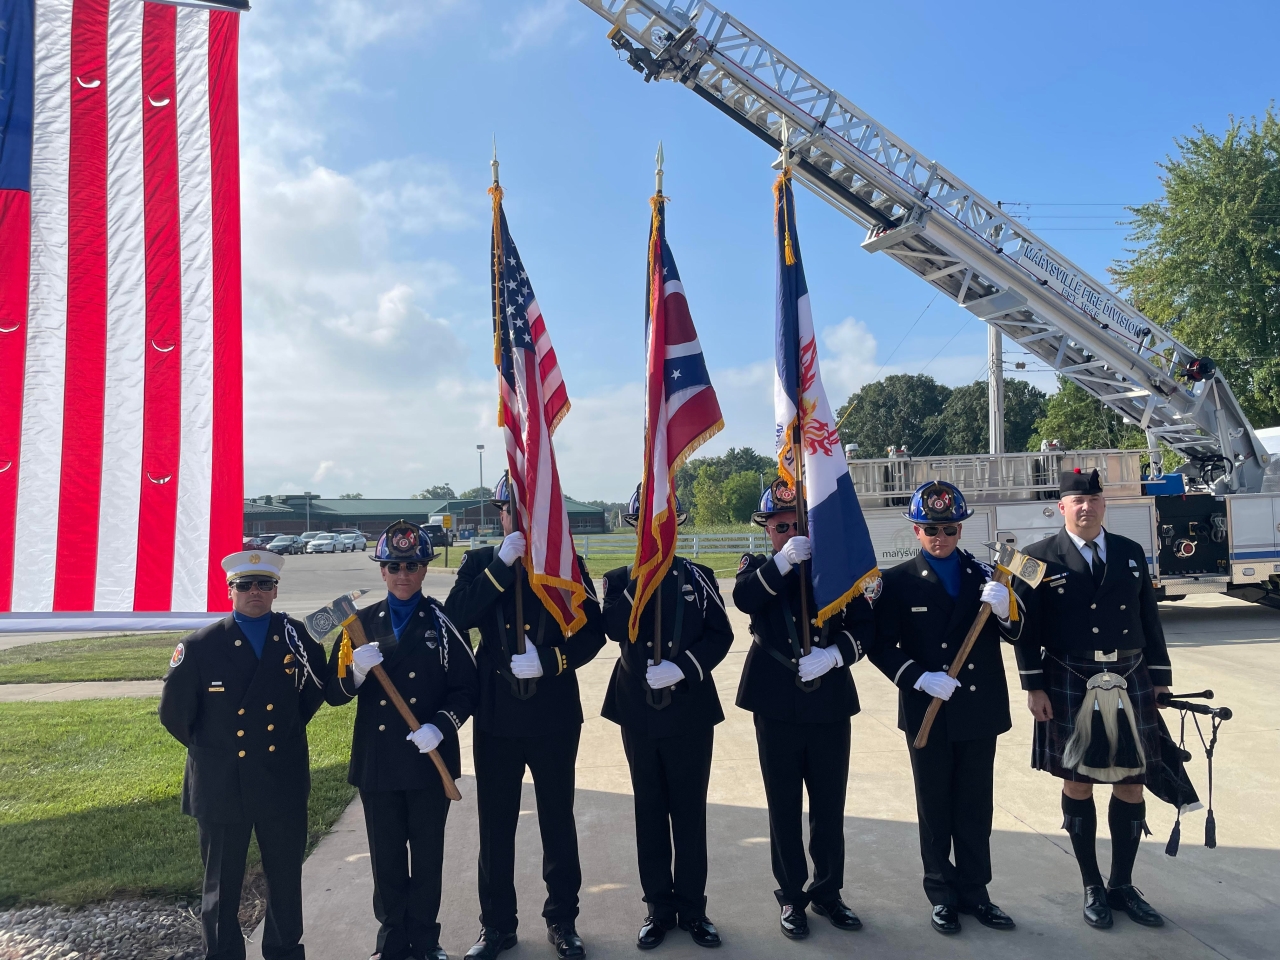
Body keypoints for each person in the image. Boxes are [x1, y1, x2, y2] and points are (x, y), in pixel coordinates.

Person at [445, 475, 606, 960]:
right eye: (511, 510)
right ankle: (496, 926)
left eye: (530, 511)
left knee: (558, 820)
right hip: (496, 713)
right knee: (496, 826)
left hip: (554, 711)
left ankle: (562, 919)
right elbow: (455, 617)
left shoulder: (566, 564)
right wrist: (500, 567)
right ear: (501, 515)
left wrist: (553, 659)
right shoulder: (478, 562)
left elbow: (593, 632)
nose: (519, 518)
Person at [1014, 468, 1172, 930]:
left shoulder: (1128, 552)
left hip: (1130, 675)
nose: (1086, 507)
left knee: (1131, 783)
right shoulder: (1036, 557)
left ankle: (1122, 885)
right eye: (1076, 501)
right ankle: (1091, 885)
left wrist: (1160, 677)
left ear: (1104, 505)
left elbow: (1149, 616)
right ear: (1061, 507)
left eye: (1093, 499)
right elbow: (1025, 631)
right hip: (1070, 677)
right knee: (1077, 783)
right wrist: (1033, 685)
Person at [159, 550, 329, 960]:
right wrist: (220, 751)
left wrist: (281, 737)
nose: (256, 592)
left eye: (264, 584)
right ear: (230, 589)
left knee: (285, 879)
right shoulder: (200, 646)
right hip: (222, 782)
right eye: (246, 585)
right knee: (221, 885)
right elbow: (175, 716)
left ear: (275, 589)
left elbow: (311, 696)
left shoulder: (296, 637)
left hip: (280, 777)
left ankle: (285, 951)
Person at [868, 481, 1020, 935]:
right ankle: (941, 894)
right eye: (931, 528)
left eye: (950, 528)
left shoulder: (988, 576)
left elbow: (1017, 635)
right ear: (916, 530)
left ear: (960, 529)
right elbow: (880, 647)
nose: (941, 537)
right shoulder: (894, 582)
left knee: (975, 806)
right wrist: (918, 676)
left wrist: (1008, 610)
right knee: (934, 806)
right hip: (927, 706)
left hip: (978, 707)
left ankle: (976, 892)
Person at [325, 520, 478, 960]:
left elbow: (466, 689)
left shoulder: (444, 623)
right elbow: (334, 696)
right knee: (387, 859)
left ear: (425, 569)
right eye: (393, 566)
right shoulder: (358, 625)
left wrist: (442, 725)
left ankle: (426, 942)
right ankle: (391, 942)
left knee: (428, 859)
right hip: (380, 763)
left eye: (411, 564)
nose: (402, 574)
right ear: (382, 572)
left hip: (430, 761)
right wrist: (353, 672)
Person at [732, 480, 876, 941]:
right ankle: (791, 895)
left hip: (829, 697)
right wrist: (782, 562)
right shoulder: (758, 566)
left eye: (798, 523)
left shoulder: (835, 570)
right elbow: (745, 600)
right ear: (767, 529)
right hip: (774, 698)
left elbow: (865, 628)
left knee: (830, 803)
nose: (790, 530)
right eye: (780, 526)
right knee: (784, 804)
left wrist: (835, 655)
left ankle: (829, 891)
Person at [600, 489, 734, 950]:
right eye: (645, 523)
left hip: (690, 710)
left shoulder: (699, 577)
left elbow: (722, 633)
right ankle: (658, 907)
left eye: (664, 522)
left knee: (689, 812)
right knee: (650, 810)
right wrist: (641, 576)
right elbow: (615, 629)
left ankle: (694, 909)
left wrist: (685, 667)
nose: (655, 532)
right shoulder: (619, 580)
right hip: (638, 710)